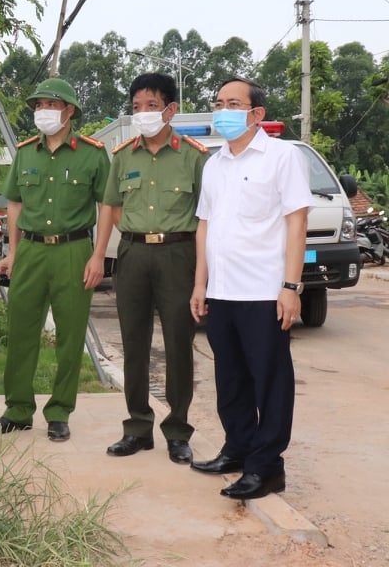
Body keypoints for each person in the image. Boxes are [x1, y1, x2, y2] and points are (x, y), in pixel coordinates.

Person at [189, 77, 313, 499]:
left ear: (256, 113)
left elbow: (297, 222)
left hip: (264, 291)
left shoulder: (282, 157)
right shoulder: (214, 163)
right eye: (219, 102)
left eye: (234, 103)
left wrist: (290, 286)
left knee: (270, 381)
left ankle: (267, 467)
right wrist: (200, 283)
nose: (223, 110)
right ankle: (238, 448)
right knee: (231, 378)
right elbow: (204, 226)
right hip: (222, 291)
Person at [0, 78, 109, 443]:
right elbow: (15, 203)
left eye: (50, 105)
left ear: (69, 111)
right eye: (38, 106)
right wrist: (13, 252)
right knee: (21, 332)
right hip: (31, 251)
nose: (42, 112)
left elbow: (107, 205)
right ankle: (18, 409)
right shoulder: (25, 153)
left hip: (73, 250)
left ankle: (59, 412)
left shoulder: (92, 153)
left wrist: (98, 256)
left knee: (70, 336)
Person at [90, 73, 209, 464]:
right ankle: (138, 427)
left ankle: (177, 430)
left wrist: (204, 274)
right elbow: (111, 206)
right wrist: (98, 255)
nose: (143, 114)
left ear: (171, 110)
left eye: (151, 106)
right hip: (134, 255)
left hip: (179, 255)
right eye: (137, 107)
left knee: (178, 343)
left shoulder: (194, 156)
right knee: (134, 342)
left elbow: (208, 216)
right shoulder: (124, 155)